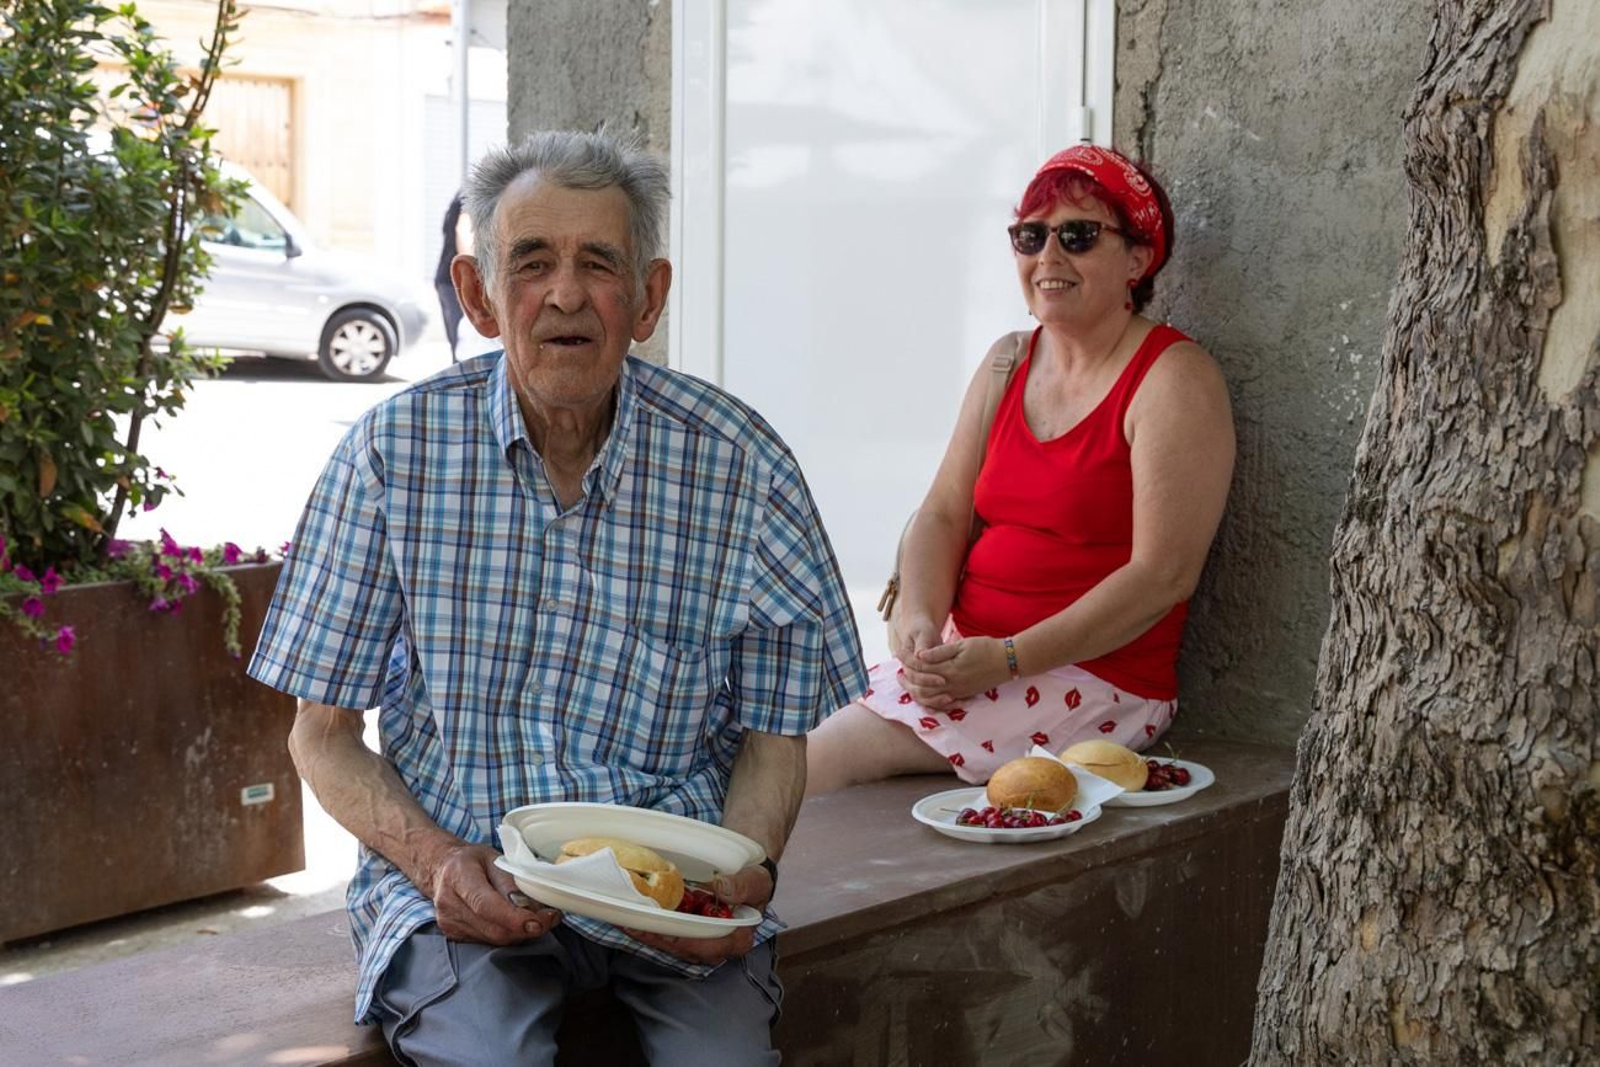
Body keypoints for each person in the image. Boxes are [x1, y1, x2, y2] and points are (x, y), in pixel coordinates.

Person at [248, 130, 864, 1064]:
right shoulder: (392, 457)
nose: (566, 294)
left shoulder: (743, 467)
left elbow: (776, 743)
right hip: (461, 876)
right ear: (479, 295)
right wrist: (437, 862)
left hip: (671, 882)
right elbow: (320, 734)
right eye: (531, 263)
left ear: (647, 297)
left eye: (599, 263)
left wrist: (741, 877)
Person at [805, 144, 1234, 795]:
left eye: (1079, 236)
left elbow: (1162, 577)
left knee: (816, 757)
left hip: (1090, 680)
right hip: (975, 658)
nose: (1048, 258)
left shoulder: (1173, 378)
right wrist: (920, 619)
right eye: (1030, 236)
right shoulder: (1008, 361)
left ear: (1139, 258)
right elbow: (942, 513)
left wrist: (1007, 657)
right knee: (769, 722)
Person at [432, 189, 469, 359]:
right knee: (464, 342)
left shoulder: (458, 198)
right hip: (457, 280)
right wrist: (470, 269)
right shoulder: (470, 197)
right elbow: (462, 231)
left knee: (458, 341)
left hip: (445, 279)